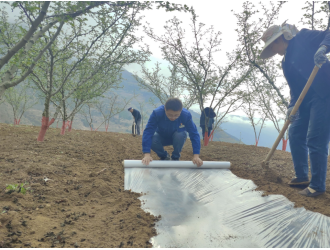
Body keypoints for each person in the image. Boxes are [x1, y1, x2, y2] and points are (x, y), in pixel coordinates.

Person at [260, 22, 330, 197]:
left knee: (315, 138)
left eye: (274, 45)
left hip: (324, 93)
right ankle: (301, 176)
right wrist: (291, 108)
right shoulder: (285, 63)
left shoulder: (304, 37)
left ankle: (317, 186)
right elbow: (295, 89)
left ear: (282, 38)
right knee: (295, 132)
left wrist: (323, 48)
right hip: (304, 100)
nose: (274, 50)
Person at [141, 98, 203, 167]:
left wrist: (196, 156)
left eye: (176, 115)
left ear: (180, 111)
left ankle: (175, 157)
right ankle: (164, 156)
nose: (173, 118)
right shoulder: (157, 113)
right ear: (165, 109)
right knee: (153, 138)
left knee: (181, 134)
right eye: (170, 115)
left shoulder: (186, 115)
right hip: (161, 137)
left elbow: (194, 134)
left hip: (177, 138)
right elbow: (148, 131)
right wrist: (147, 154)